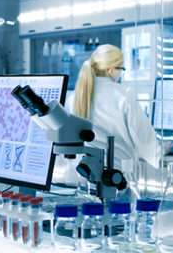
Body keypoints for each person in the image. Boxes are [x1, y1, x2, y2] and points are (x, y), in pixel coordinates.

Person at [59, 44, 162, 192]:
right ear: (111, 70)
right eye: (121, 69)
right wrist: (160, 155)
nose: (121, 74)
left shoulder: (74, 97)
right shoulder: (123, 95)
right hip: (117, 182)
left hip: (82, 181)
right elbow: (145, 140)